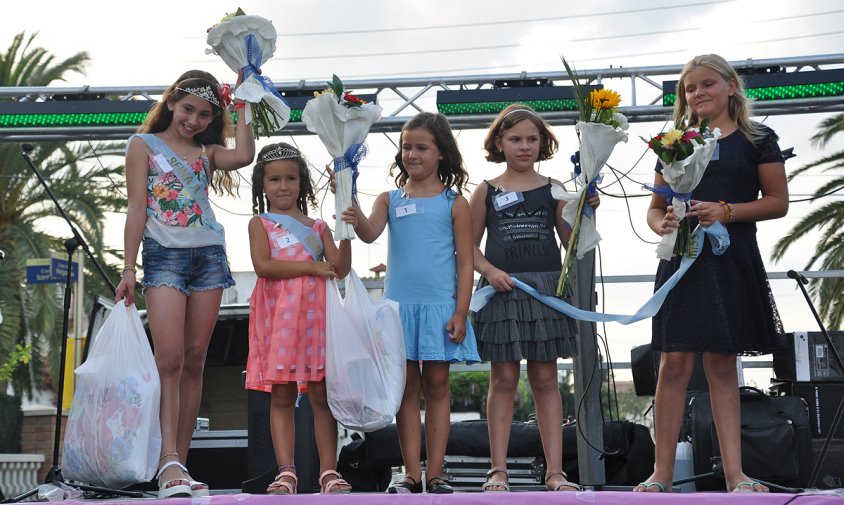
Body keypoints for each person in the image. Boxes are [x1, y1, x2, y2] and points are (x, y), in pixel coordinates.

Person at [637, 54, 788, 493]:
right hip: (681, 259)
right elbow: (654, 208)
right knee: (673, 362)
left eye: (707, 84)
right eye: (689, 88)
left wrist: (726, 211)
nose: (697, 93)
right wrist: (661, 223)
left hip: (732, 258)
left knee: (723, 364)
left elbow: (778, 201)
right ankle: (661, 475)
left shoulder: (758, 138)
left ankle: (735, 474)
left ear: (730, 88)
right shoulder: (672, 141)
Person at [114, 69, 255, 498]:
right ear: (172, 101)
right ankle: (166, 460)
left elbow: (246, 154)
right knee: (168, 358)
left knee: (195, 360)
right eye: (188, 109)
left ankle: (181, 462)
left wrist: (245, 97)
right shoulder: (143, 146)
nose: (193, 120)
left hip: (209, 256)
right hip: (164, 258)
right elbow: (137, 208)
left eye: (204, 115)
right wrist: (128, 269)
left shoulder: (207, 152)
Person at [339, 112, 479, 494]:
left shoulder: (455, 203)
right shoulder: (389, 198)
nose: (412, 154)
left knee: (437, 385)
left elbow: (466, 261)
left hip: (440, 309)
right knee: (405, 389)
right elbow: (368, 233)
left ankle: (435, 473)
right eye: (406, 147)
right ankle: (410, 474)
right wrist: (346, 191)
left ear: (441, 154)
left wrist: (461, 310)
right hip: (398, 311)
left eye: (421, 147)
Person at [470, 104, 598, 493]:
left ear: (542, 143)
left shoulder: (554, 187)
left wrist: (583, 210)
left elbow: (570, 240)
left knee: (546, 379)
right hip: (501, 291)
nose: (524, 146)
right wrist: (490, 272)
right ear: (499, 143)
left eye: (531, 139)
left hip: (546, 291)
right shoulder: (486, 190)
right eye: (515, 139)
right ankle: (498, 470)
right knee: (503, 378)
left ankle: (555, 472)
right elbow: (468, 247)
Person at [246, 143, 354, 495]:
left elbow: (340, 269)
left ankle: (328, 472)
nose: (283, 186)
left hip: (316, 322)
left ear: (302, 183)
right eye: (274, 179)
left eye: (291, 178)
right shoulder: (259, 223)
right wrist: (311, 265)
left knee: (321, 395)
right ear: (262, 184)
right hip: (279, 320)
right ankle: (287, 472)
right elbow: (264, 266)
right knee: (281, 395)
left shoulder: (319, 226)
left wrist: (344, 225)